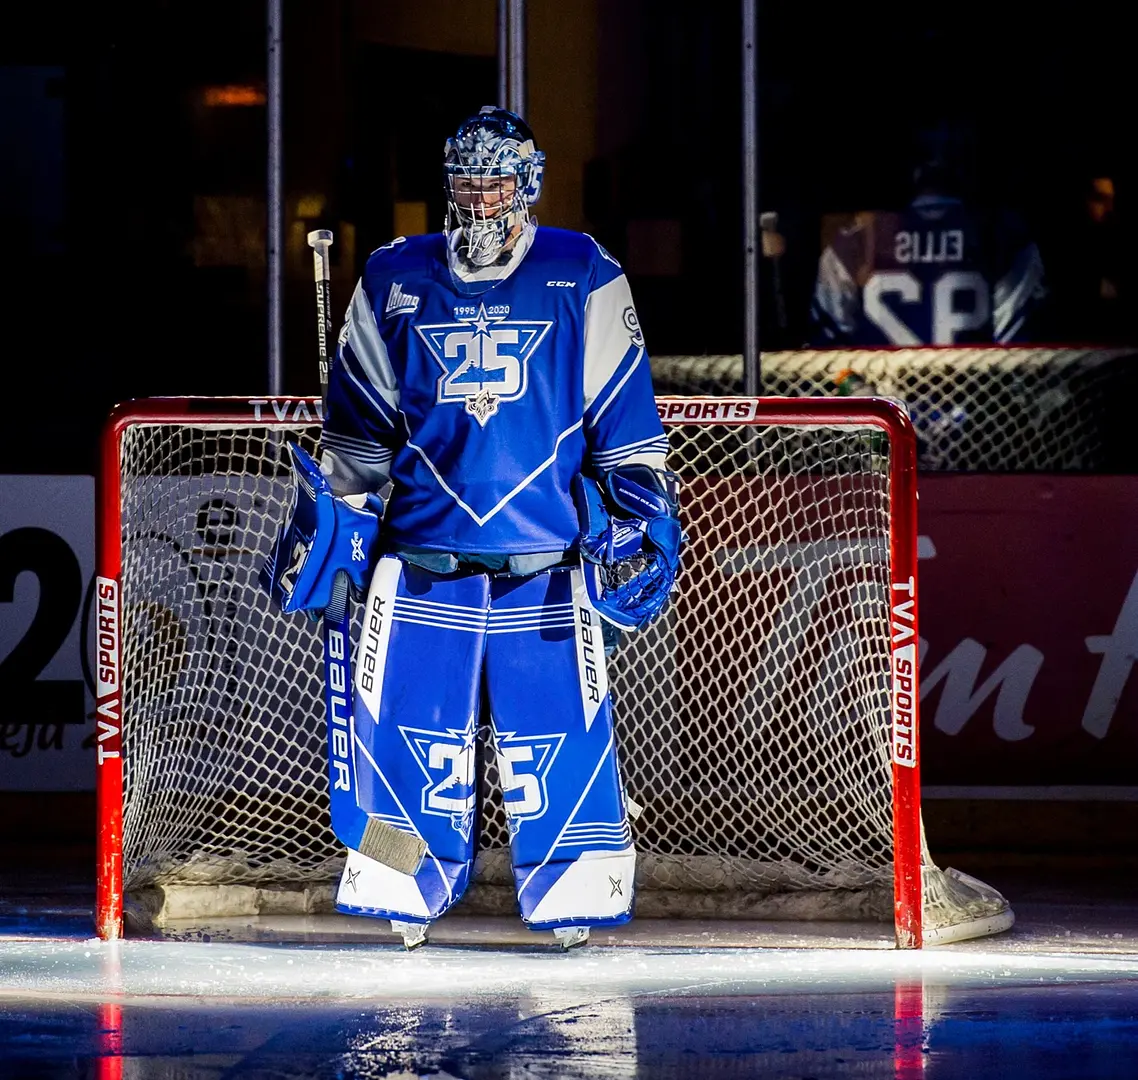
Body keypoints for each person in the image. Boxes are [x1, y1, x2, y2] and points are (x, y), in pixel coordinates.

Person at [260, 107, 682, 949]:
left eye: (496, 183)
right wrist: (338, 522)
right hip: (418, 564)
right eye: (465, 184)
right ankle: (398, 882)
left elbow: (626, 424)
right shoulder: (391, 276)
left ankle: (575, 892)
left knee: (556, 748)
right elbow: (358, 437)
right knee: (404, 750)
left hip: (546, 569)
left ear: (529, 183)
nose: (480, 201)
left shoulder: (583, 271)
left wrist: (640, 515)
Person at [810, 160, 1048, 346]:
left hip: (885, 403)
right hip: (974, 403)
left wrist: (862, 397)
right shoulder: (1005, 236)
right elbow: (1016, 355)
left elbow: (826, 354)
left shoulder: (851, 243)